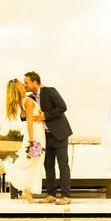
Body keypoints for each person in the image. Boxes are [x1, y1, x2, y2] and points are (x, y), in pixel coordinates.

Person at [24, 71, 73, 205]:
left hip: (59, 134)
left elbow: (62, 107)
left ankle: (66, 196)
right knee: (48, 166)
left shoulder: (50, 91)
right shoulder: (30, 98)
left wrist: (46, 116)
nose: (25, 85)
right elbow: (24, 116)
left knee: (63, 165)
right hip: (44, 137)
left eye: (27, 82)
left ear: (35, 82)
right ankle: (51, 195)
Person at [0, 78, 46, 203]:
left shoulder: (24, 100)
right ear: (19, 89)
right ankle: (5, 168)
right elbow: (29, 122)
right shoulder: (27, 101)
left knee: (31, 160)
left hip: (37, 132)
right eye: (21, 85)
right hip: (35, 133)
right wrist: (32, 140)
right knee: (29, 160)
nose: (24, 85)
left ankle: (27, 190)